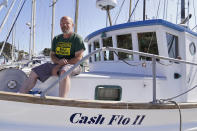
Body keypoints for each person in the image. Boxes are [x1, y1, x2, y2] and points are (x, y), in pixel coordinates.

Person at [19, 16, 86, 97]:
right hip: (58, 64)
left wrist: (60, 65)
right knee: (34, 71)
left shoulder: (77, 38)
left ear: (72, 25)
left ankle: (62, 100)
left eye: (67, 23)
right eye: (62, 23)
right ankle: (20, 95)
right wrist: (58, 63)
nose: (64, 25)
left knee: (64, 71)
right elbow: (52, 55)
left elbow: (78, 58)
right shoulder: (56, 39)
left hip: (74, 65)